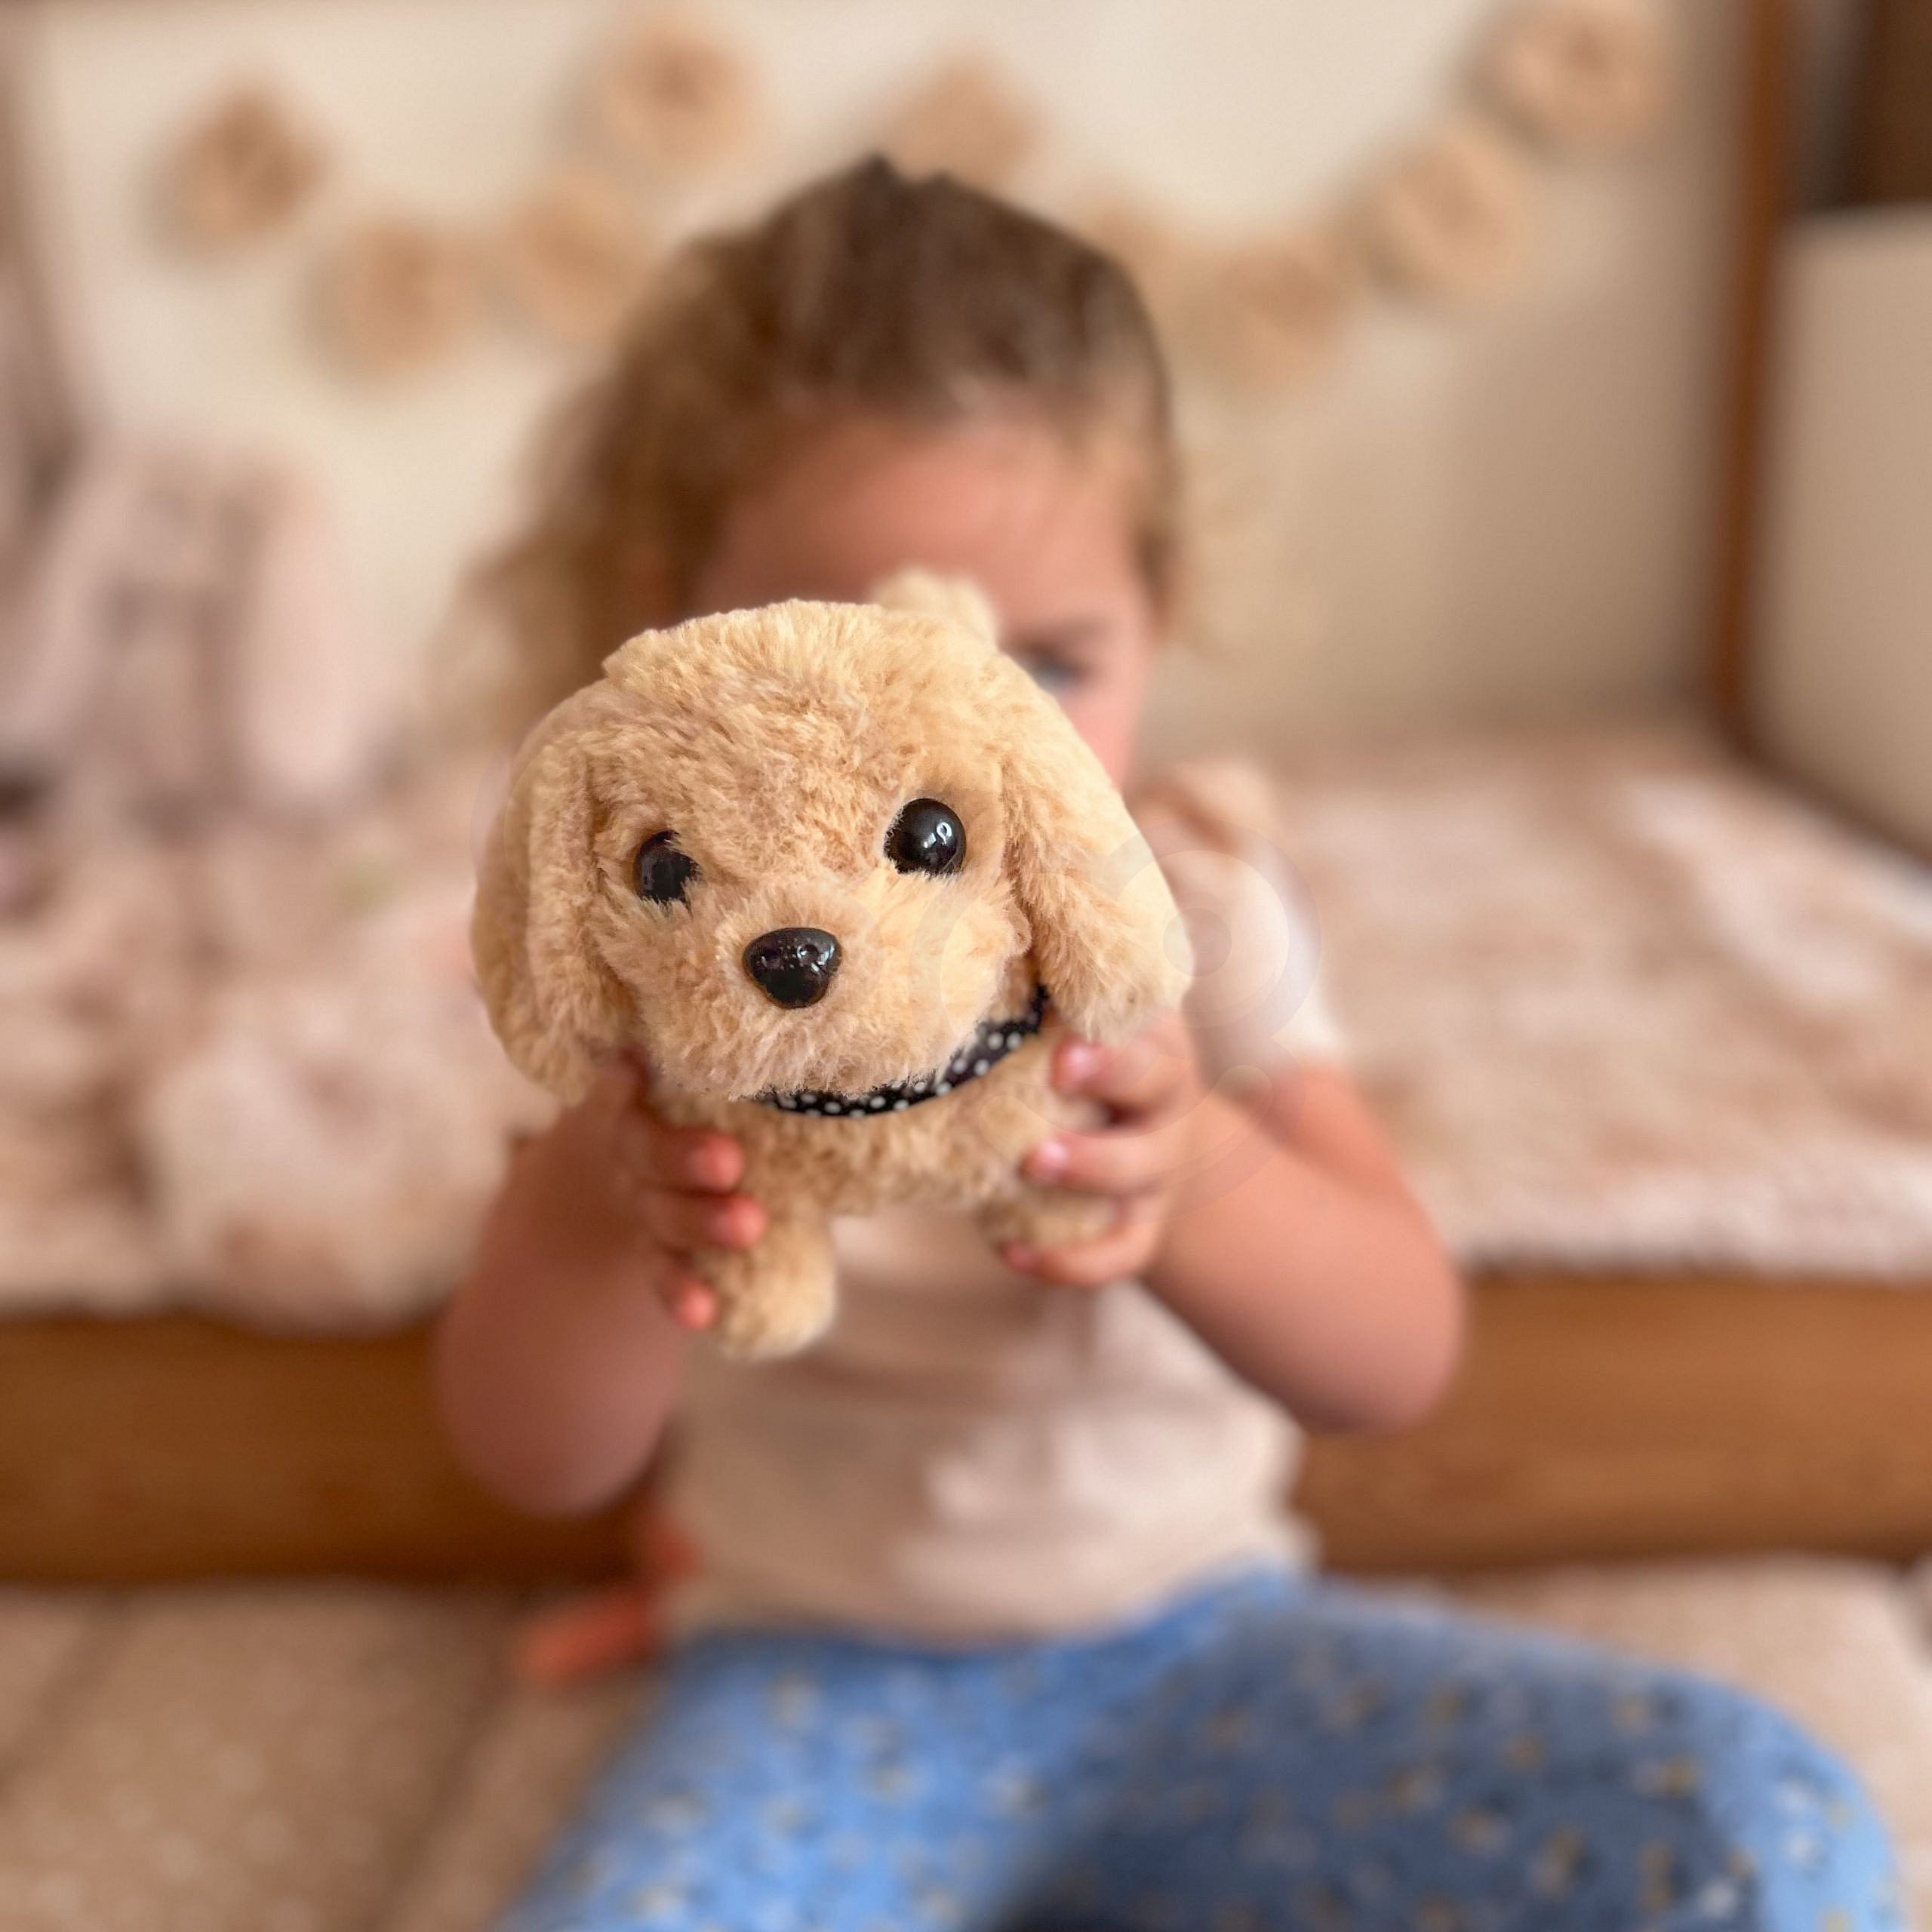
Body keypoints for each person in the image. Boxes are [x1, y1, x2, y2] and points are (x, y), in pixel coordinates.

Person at [436, 159, 1900, 1932]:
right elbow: (532, 1459)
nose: (992, 738)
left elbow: (1394, 1358)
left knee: (1754, 1822)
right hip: (815, 1672)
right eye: (872, 669)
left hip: (1206, 1647)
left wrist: (1199, 1169)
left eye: (1051, 666)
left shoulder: (1194, 918)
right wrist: (599, 1211)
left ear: (1159, 610)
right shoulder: (660, 982)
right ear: (680, 632)